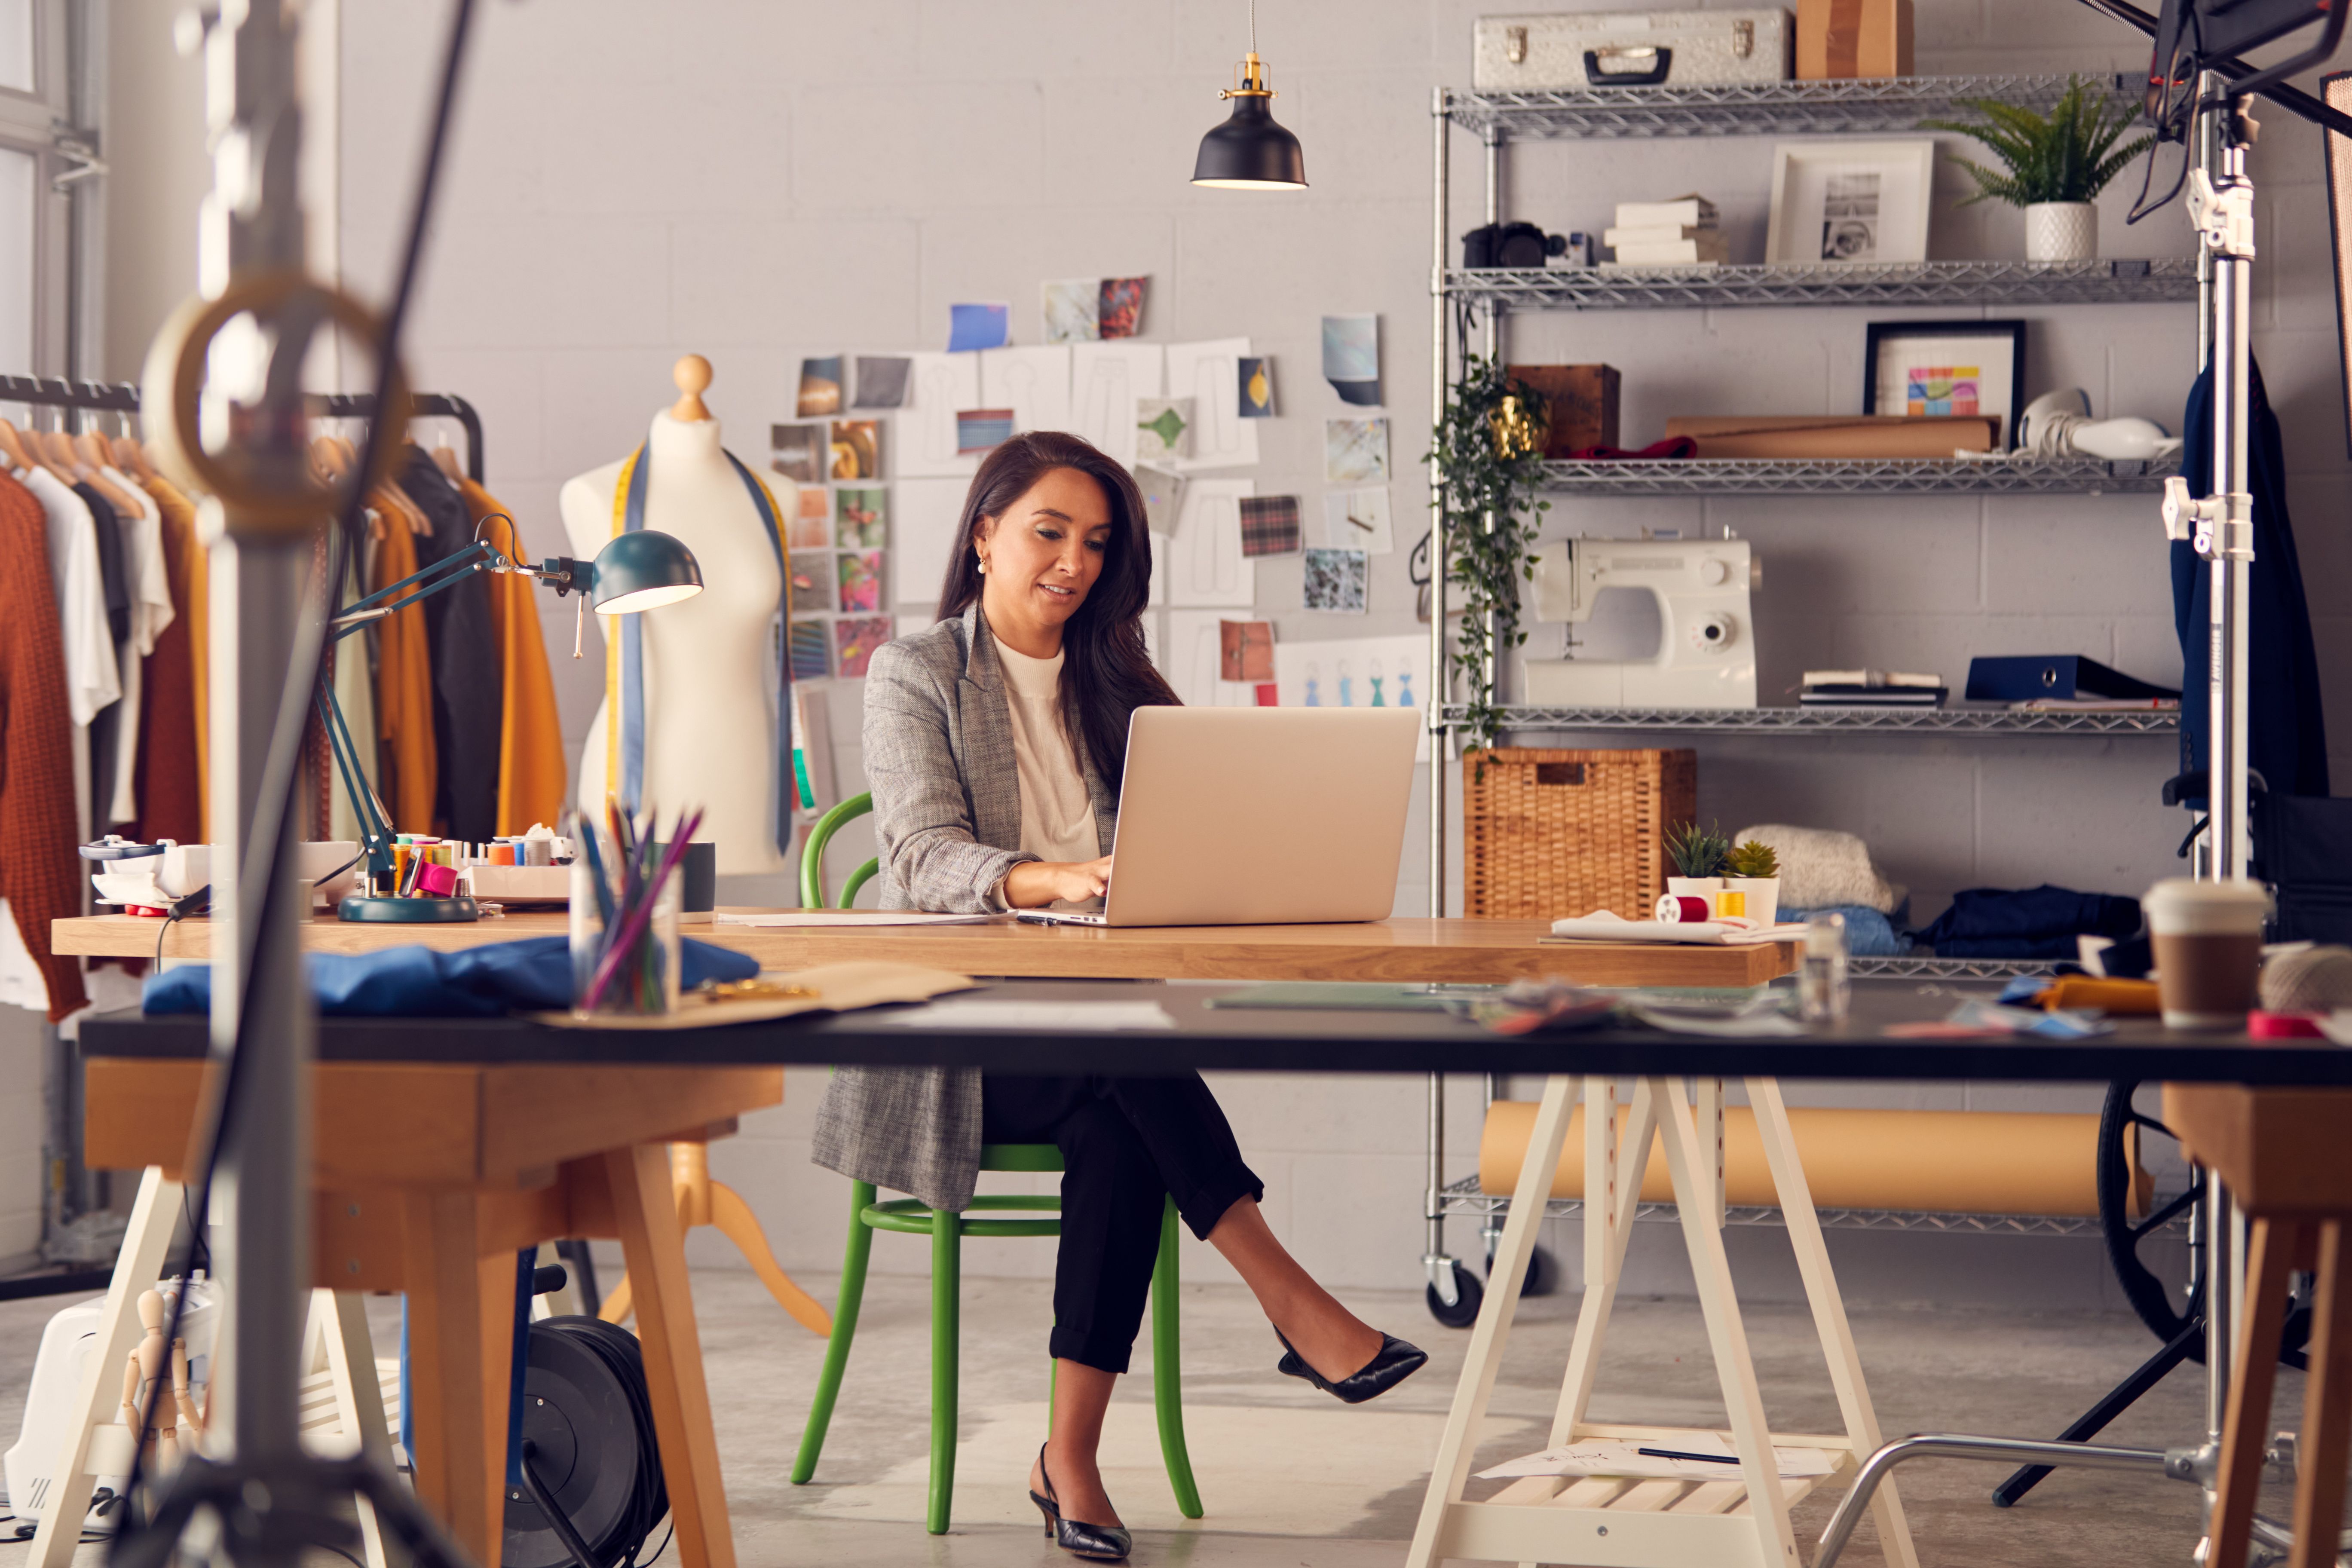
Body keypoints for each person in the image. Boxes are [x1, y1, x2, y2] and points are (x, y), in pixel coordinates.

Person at [813, 432, 1424, 1562]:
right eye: (1049, 531)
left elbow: (1195, 836)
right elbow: (918, 856)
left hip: (1096, 1041)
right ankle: (1290, 1298)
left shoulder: (1124, 681)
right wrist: (1059, 879)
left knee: (1119, 1117)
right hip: (954, 1043)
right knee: (1123, 1064)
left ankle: (1070, 1462)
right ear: (986, 531)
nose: (1073, 562)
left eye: (1096, 543)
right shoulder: (914, 670)